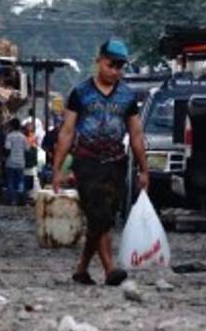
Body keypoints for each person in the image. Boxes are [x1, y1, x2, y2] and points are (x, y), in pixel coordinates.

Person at [52, 38, 150, 287]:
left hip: (116, 162)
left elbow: (136, 135)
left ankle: (82, 269)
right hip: (87, 161)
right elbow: (67, 132)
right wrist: (56, 169)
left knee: (105, 218)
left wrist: (144, 169)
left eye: (120, 67)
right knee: (99, 214)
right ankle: (110, 270)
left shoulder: (127, 96)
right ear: (99, 61)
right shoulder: (80, 93)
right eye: (111, 65)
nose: (115, 71)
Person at [2, 118, 27, 205]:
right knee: (20, 181)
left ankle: (12, 201)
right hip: (21, 163)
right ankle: (21, 200)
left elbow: (7, 149)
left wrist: (3, 157)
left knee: (10, 182)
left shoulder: (9, 136)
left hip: (10, 162)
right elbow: (26, 149)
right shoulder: (23, 137)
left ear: (12, 126)